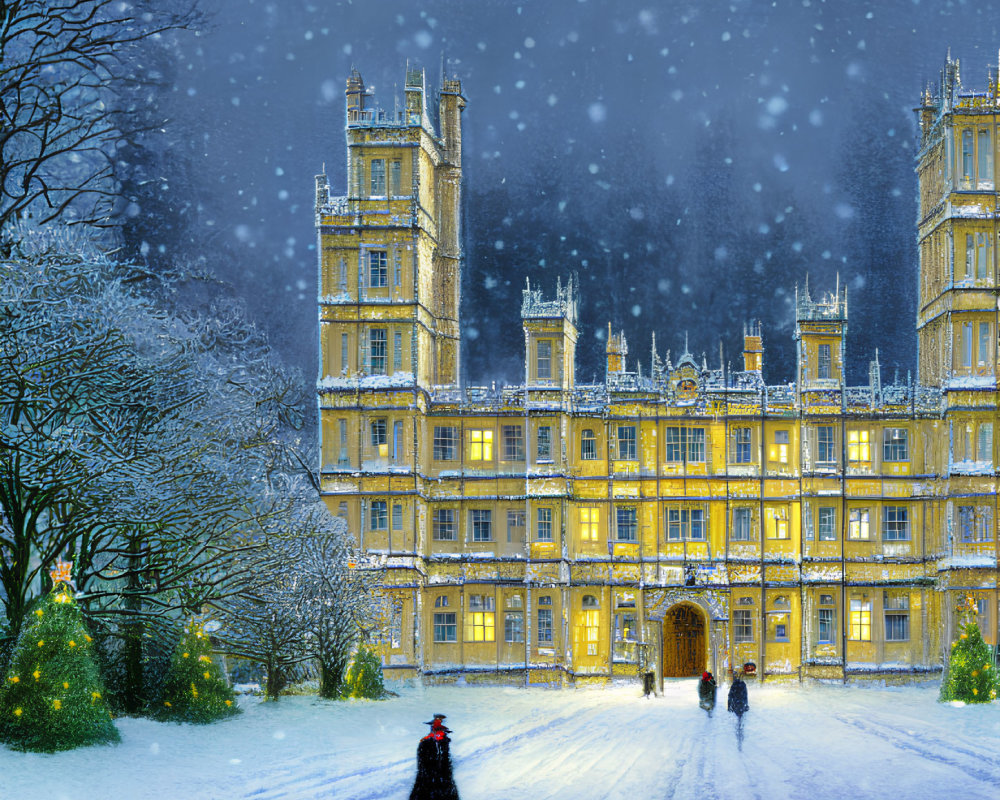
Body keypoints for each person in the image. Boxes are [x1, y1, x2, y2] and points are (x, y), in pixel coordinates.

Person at [409, 713, 460, 800]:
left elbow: (445, 760)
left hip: (437, 776)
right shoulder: (427, 742)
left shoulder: (439, 742)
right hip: (432, 776)